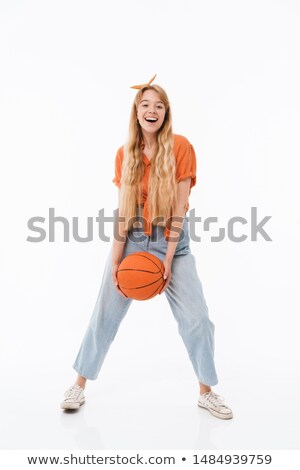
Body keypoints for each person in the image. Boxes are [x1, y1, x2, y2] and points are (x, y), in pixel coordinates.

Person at [61, 75, 233, 420]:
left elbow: (181, 206)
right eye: (145, 105)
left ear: (165, 113)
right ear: (136, 113)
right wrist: (115, 261)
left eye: (158, 105)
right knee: (104, 314)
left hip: (174, 244)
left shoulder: (181, 147)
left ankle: (207, 392)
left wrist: (167, 259)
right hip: (134, 241)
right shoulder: (124, 154)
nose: (151, 110)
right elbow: (124, 211)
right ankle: (78, 384)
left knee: (197, 319)